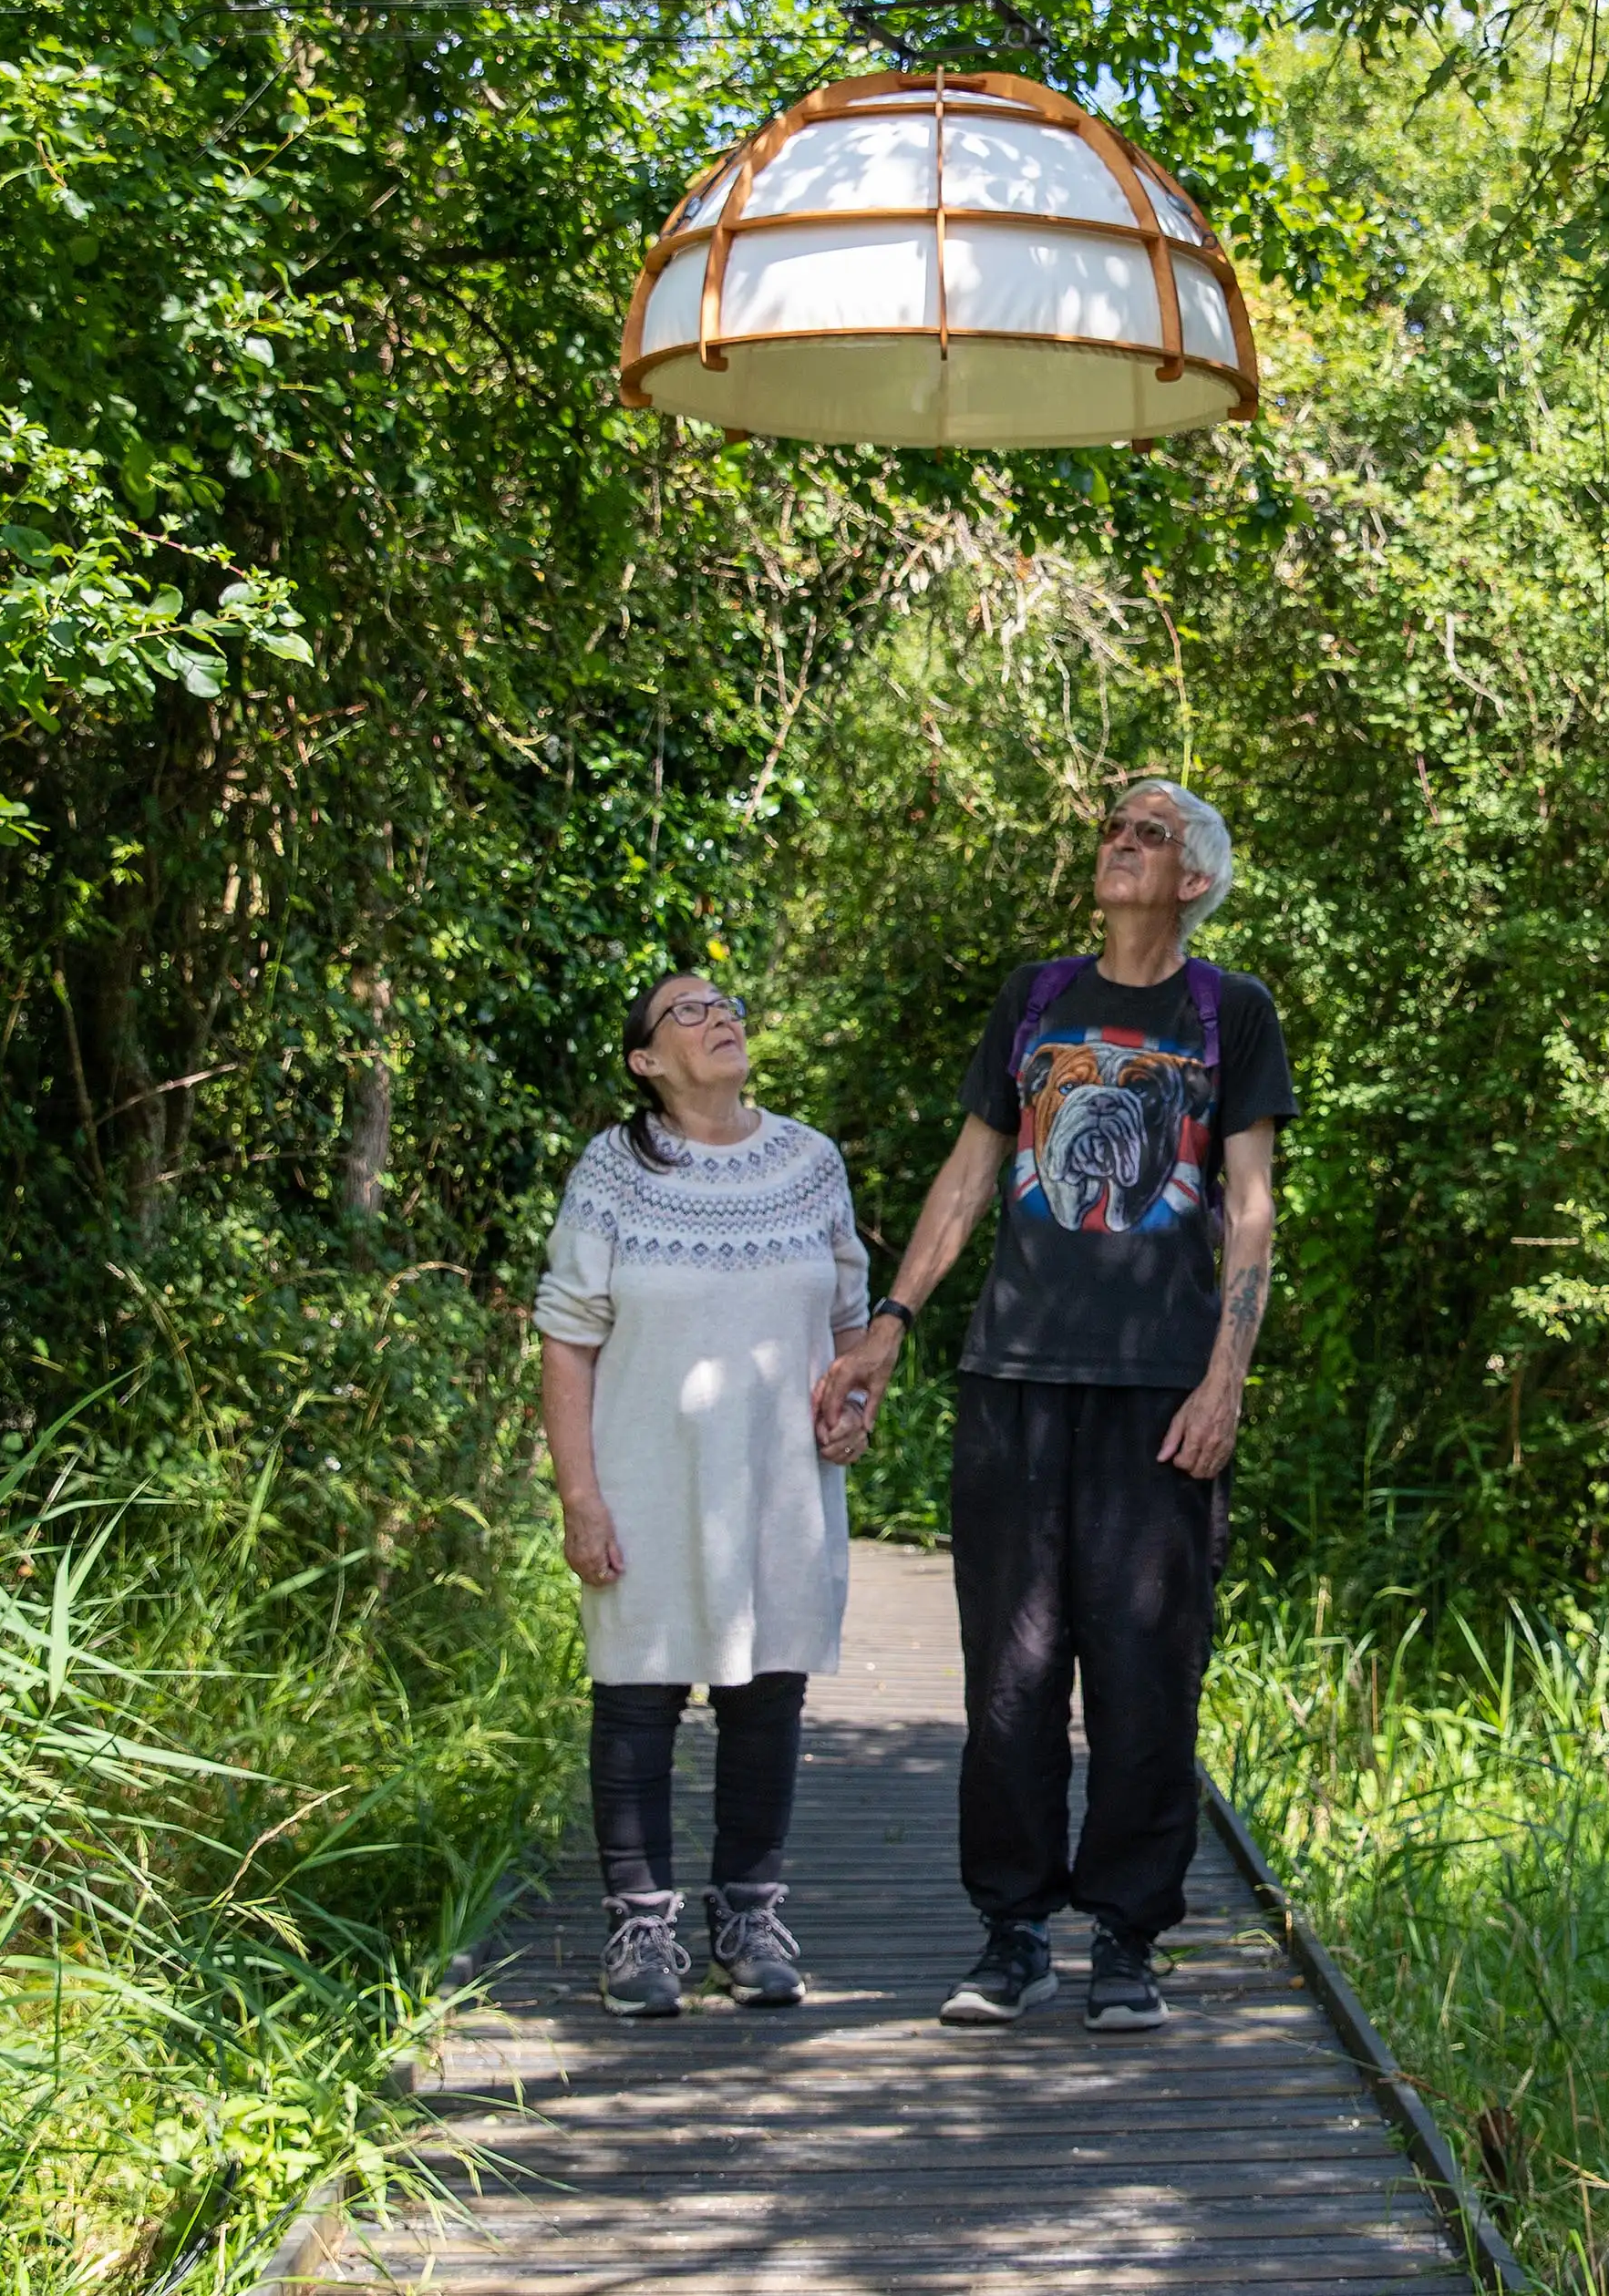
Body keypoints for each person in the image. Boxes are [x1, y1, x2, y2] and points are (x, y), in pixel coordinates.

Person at [812, 777, 1295, 2033]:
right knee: (1011, 1675)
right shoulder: (1035, 997)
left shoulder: (1227, 1011)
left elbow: (1248, 1201)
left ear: (1195, 877)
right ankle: (1013, 1929)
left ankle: (1127, 1938)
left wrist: (1226, 1375)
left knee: (1149, 1668)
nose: (1117, 843)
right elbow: (971, 1172)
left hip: (1160, 1388)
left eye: (1149, 834)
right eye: (1113, 826)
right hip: (1014, 1372)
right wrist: (892, 1322)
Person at [535, 972, 875, 2016]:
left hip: (780, 1486)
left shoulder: (809, 1161)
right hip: (646, 1479)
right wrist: (579, 1496)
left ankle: (749, 1917)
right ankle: (640, 1934)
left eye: (722, 1002)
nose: (718, 1015)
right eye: (686, 1011)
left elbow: (853, 1313)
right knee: (636, 1701)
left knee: (767, 1698)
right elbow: (566, 1333)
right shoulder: (614, 1170)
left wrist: (854, 1404)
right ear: (645, 1062)